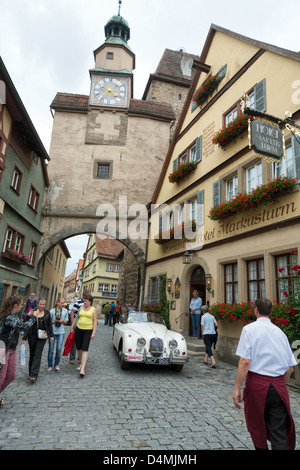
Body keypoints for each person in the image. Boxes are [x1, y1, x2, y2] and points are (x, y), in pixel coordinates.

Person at [233, 297, 297, 450]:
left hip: (256, 385)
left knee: (257, 427)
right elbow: (290, 368)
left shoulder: (249, 329)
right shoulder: (280, 333)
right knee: (279, 431)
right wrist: (279, 382)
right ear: (271, 312)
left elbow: (245, 361)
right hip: (278, 386)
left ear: (255, 310)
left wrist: (237, 387)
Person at [0, 295, 36, 406]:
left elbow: (18, 325)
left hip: (12, 348)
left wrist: (28, 317)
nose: (21, 307)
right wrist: (33, 318)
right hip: (2, 348)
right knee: (1, 377)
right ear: (16, 305)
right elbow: (21, 327)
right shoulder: (8, 317)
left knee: (11, 375)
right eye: (21, 304)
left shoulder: (14, 315)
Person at [23, 299, 53, 383]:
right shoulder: (33, 312)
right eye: (40, 304)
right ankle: (30, 372)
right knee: (32, 354)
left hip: (42, 336)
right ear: (37, 304)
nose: (42, 306)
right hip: (32, 335)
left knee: (38, 354)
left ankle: (34, 375)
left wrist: (51, 335)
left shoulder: (47, 313)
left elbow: (49, 325)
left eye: (43, 304)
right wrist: (24, 338)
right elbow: (25, 324)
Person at [73, 294, 97, 378]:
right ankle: (80, 363)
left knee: (85, 348)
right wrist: (73, 326)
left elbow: (95, 322)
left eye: (86, 301)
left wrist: (93, 332)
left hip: (88, 330)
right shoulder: (81, 308)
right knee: (79, 348)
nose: (84, 302)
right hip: (78, 329)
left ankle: (82, 369)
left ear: (90, 302)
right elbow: (77, 318)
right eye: (84, 301)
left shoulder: (93, 310)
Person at [47, 297, 69, 373]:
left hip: (61, 332)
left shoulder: (65, 311)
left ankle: (56, 364)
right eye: (61, 303)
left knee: (59, 349)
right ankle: (49, 365)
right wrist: (54, 321)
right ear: (57, 302)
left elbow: (66, 321)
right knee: (51, 349)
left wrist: (62, 321)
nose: (62, 304)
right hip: (52, 332)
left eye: (63, 303)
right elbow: (48, 322)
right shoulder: (52, 311)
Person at [69, 293, 89, 364]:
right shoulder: (78, 302)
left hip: (85, 326)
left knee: (82, 341)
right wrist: (72, 324)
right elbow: (72, 312)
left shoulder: (88, 304)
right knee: (74, 341)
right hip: (76, 324)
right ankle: (72, 357)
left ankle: (80, 356)